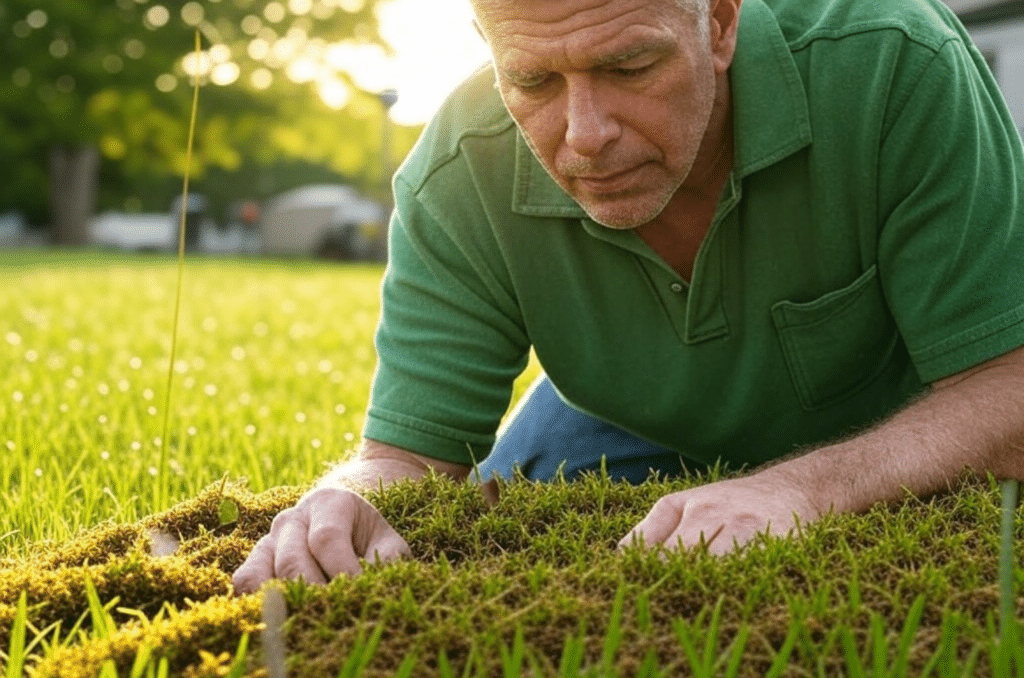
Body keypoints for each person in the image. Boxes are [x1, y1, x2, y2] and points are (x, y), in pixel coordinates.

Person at [232, 0, 1024, 593]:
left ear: (718, 22)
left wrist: (799, 491)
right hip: (631, 419)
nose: (585, 134)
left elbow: (1011, 386)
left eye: (630, 68)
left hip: (904, 421)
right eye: (534, 79)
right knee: (501, 531)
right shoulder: (456, 173)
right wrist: (341, 501)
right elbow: (407, 459)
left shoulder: (894, 60)